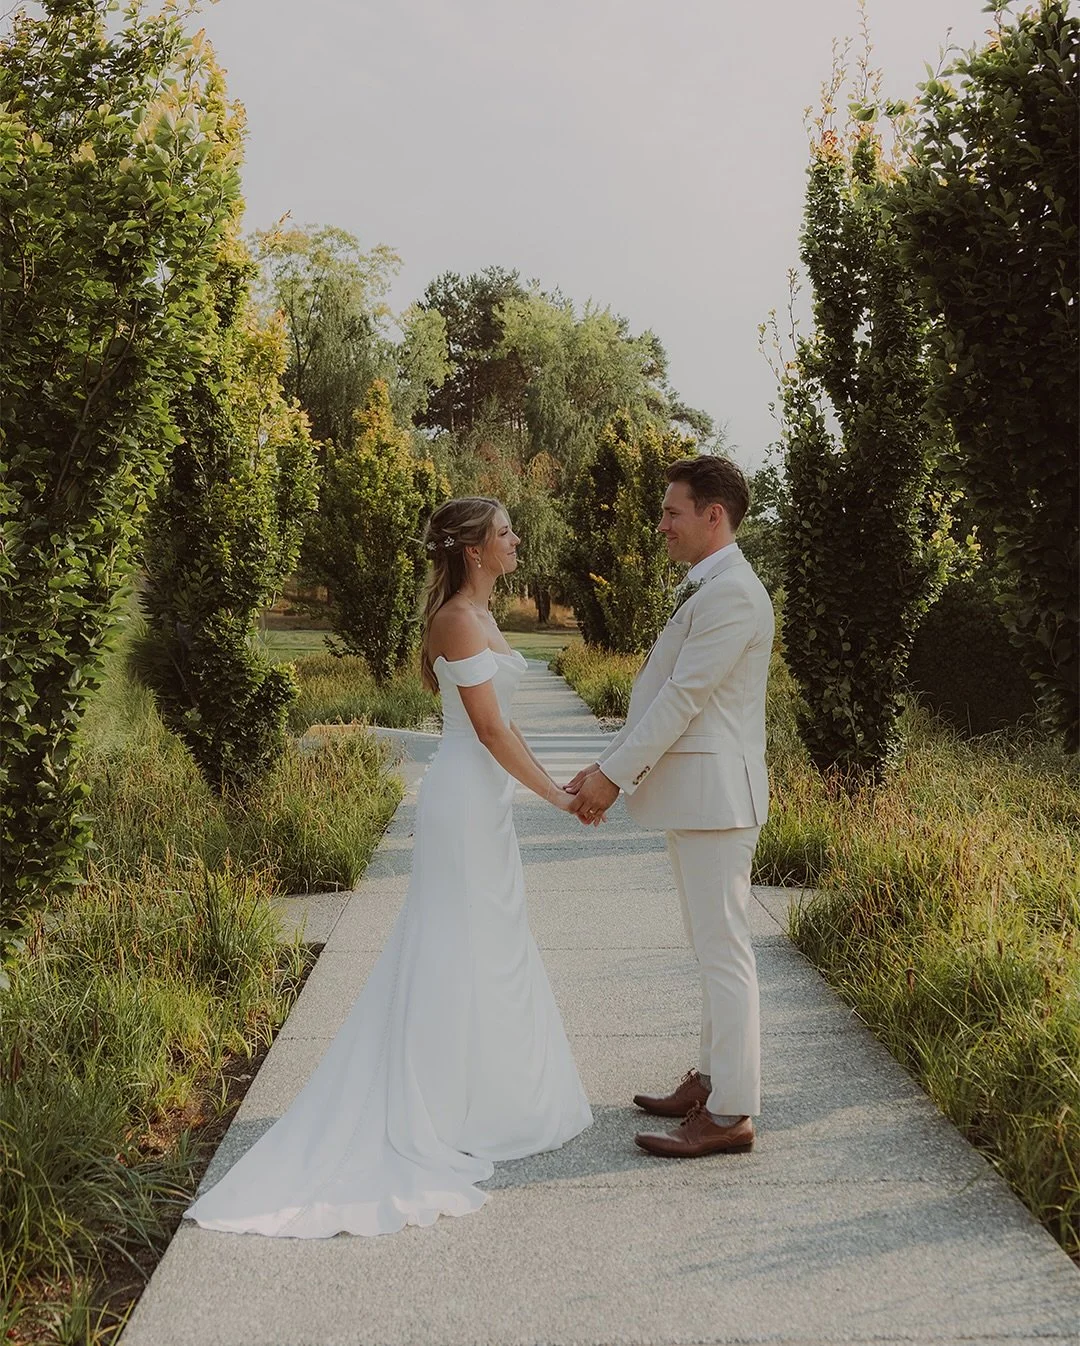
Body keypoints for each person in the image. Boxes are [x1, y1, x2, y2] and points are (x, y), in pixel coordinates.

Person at [183, 497, 593, 1238]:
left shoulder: (485, 615)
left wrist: (558, 782)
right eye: (504, 532)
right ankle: (438, 1103)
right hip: (463, 806)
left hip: (485, 806)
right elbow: (492, 731)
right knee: (453, 948)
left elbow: (508, 727)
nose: (516, 539)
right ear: (472, 549)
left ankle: (484, 1095)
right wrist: (561, 799)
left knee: (489, 946)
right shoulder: (457, 622)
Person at [564, 455, 774, 1158]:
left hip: (718, 800)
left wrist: (612, 778)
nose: (662, 526)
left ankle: (732, 1112)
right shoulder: (712, 586)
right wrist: (606, 765)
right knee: (710, 947)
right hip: (700, 800)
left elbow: (683, 701)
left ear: (714, 515)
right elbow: (665, 697)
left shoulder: (734, 593)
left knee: (724, 951)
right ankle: (714, 1083)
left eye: (672, 512)